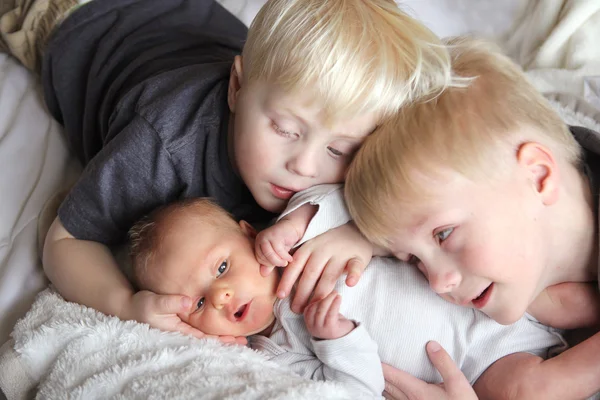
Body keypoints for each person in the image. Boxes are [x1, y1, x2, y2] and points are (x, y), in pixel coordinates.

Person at [0, 0, 456, 341]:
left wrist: (360, 231)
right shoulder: (162, 143)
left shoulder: (342, 128)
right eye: (282, 128)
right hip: (74, 14)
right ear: (236, 88)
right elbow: (65, 241)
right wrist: (123, 303)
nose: (303, 166)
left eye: (340, 150)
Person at [128, 186, 565, 399]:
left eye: (222, 267)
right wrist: (336, 341)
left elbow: (352, 196)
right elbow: (354, 392)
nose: (221, 296)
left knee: (567, 296)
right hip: (485, 366)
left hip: (480, 293)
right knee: (529, 393)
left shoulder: (297, 239)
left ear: (248, 233)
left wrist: (297, 223)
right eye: (200, 303)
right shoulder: (273, 350)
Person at [345, 36, 600, 399]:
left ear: (538, 176)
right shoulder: (530, 257)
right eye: (413, 259)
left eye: (444, 234)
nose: (436, 284)